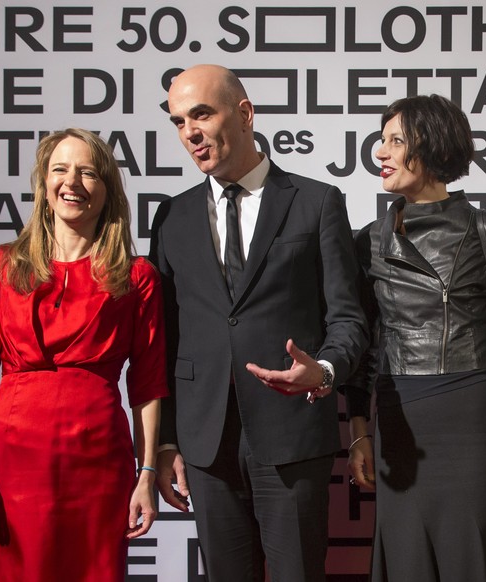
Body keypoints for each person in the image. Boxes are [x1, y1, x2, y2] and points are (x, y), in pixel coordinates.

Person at [149, 64, 367, 582]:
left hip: (292, 440)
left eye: (201, 114)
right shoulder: (171, 218)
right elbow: (164, 340)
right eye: (179, 122)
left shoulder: (316, 203)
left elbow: (349, 320)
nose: (190, 133)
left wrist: (326, 372)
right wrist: (167, 441)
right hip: (205, 446)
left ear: (244, 113)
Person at [0, 128, 167, 582]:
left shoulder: (137, 277)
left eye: (89, 172)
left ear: (107, 189)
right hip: (12, 463)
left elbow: (147, 388)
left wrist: (146, 476)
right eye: (60, 169)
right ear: (43, 183)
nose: (73, 182)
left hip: (99, 464)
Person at [344, 94, 486, 582]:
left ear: (431, 145)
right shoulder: (368, 240)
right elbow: (364, 343)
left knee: (477, 555)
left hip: (470, 415)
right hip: (399, 414)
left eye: (395, 140)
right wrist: (358, 432)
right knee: (407, 556)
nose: (380, 153)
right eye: (380, 140)